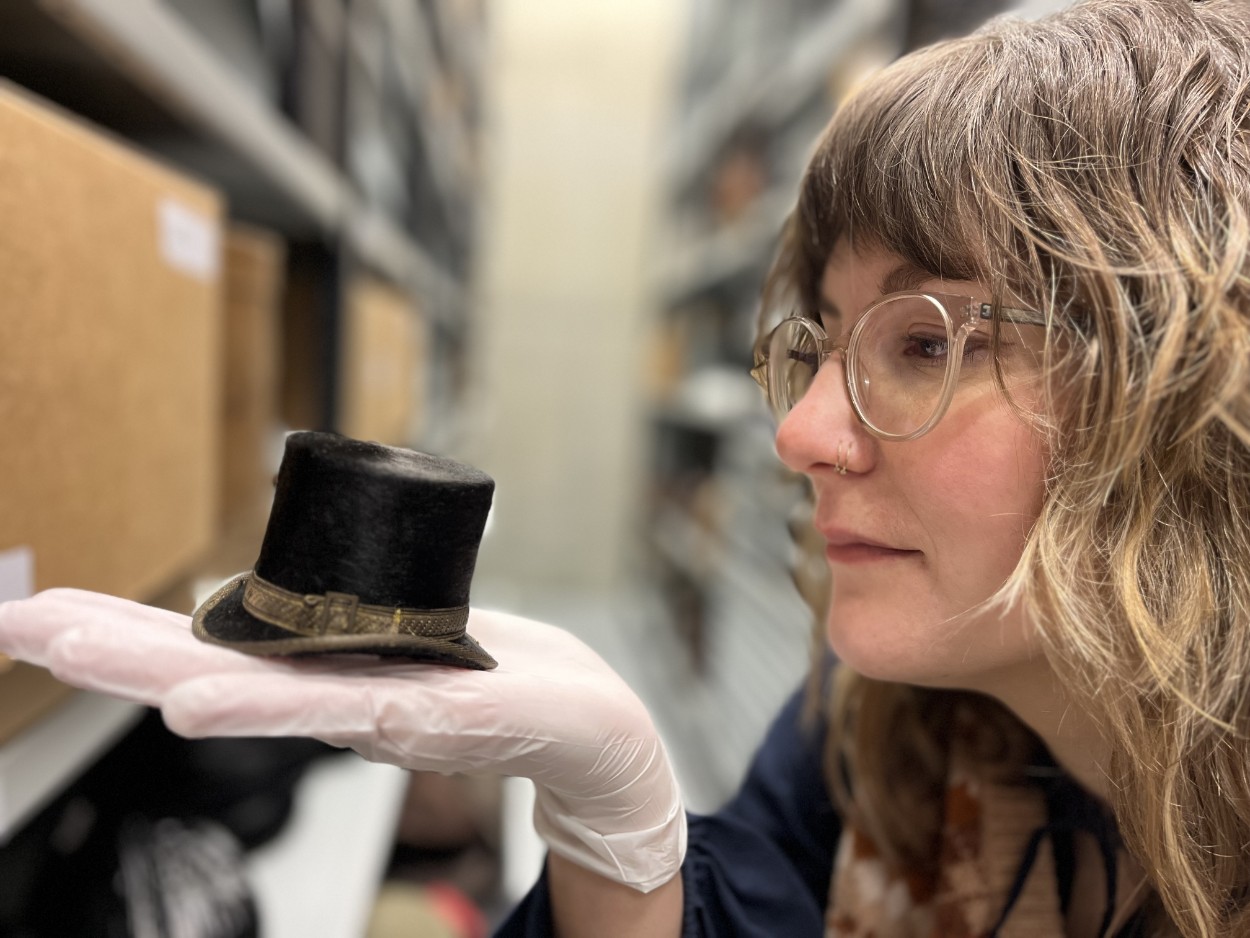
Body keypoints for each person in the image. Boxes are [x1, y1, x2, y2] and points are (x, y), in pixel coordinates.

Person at [2, 0, 1248, 934]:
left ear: (1197, 390)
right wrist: (625, 843)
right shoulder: (875, 718)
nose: (800, 433)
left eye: (923, 342)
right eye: (811, 345)